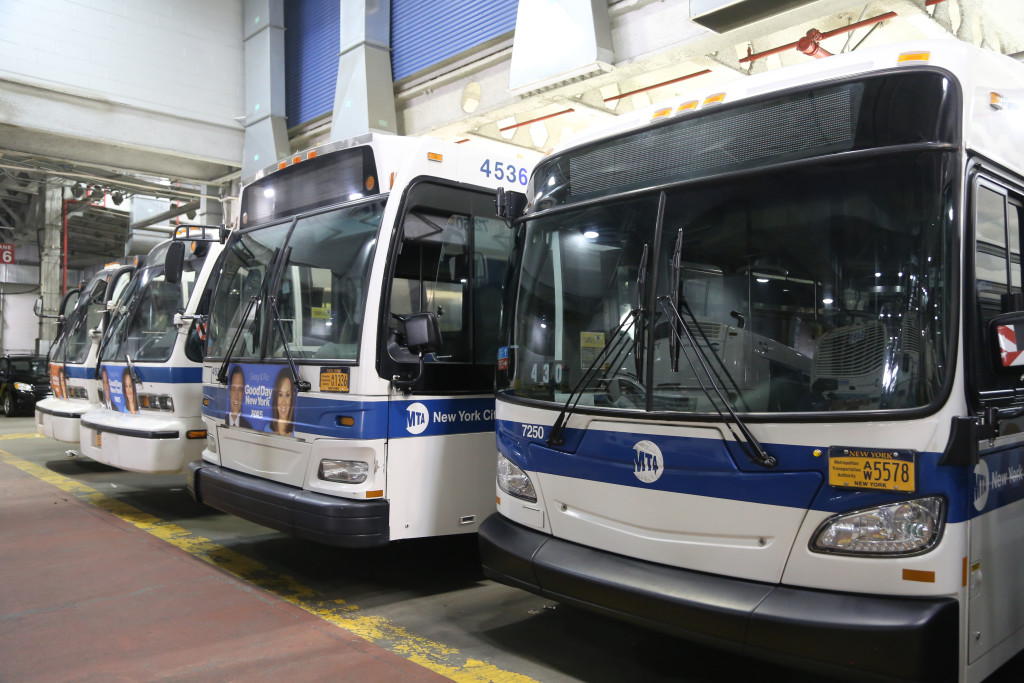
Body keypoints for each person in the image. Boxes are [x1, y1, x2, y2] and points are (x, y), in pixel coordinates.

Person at [265, 368, 294, 436]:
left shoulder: (296, 433)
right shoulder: (267, 429)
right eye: (280, 395)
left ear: (292, 399)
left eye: (287, 395)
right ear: (276, 398)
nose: (283, 402)